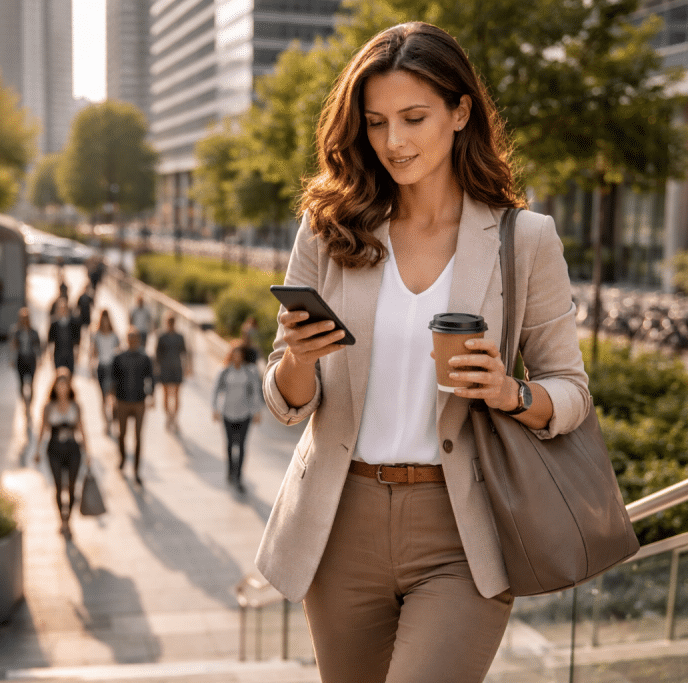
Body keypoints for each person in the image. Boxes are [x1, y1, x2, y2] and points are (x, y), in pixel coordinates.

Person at [255, 23, 591, 683]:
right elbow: (285, 401)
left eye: (414, 117)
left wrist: (511, 392)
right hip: (339, 521)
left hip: (462, 531)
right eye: (376, 122)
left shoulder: (523, 240)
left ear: (461, 111)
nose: (393, 142)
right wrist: (297, 357)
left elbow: (572, 390)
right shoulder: (328, 229)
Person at [35, 368, 88, 535]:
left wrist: (88, 452)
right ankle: (61, 519)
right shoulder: (49, 407)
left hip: (73, 449)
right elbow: (42, 429)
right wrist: (37, 450)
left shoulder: (76, 406)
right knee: (58, 486)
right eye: (59, 385)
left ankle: (68, 518)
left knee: (72, 486)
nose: (62, 388)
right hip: (54, 449)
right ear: (55, 387)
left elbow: (82, 429)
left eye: (65, 385)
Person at [212, 340, 262, 493]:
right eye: (235, 354)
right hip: (227, 413)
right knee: (229, 444)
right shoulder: (225, 371)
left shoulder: (250, 372)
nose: (237, 357)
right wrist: (215, 409)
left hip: (244, 413)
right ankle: (230, 470)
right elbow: (216, 390)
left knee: (241, 445)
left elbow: (255, 392)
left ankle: (239, 477)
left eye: (240, 355)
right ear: (231, 356)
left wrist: (256, 411)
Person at [111, 327, 156, 485]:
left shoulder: (145, 358)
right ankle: (123, 458)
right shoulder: (119, 357)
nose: (132, 342)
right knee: (121, 433)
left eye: (135, 339)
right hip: (122, 400)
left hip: (139, 401)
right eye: (130, 339)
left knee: (138, 436)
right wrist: (112, 397)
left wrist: (151, 395)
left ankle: (137, 469)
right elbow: (113, 377)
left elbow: (151, 377)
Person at [155, 313, 191, 432]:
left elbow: (184, 352)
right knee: (165, 394)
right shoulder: (161, 336)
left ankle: (174, 418)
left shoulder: (179, 336)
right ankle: (168, 417)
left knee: (176, 394)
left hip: (176, 367)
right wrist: (157, 368)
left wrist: (187, 367)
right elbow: (157, 354)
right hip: (165, 368)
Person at [90, 310, 120, 433]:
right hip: (102, 367)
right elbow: (93, 353)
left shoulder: (114, 335)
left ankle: (113, 418)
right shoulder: (96, 335)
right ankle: (106, 423)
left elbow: (119, 352)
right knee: (102, 397)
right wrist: (91, 367)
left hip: (113, 367)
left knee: (113, 396)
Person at [9, 307, 41, 413]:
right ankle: (23, 402)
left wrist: (40, 358)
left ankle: (30, 403)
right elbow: (12, 346)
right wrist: (12, 359)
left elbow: (38, 346)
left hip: (31, 359)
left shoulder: (33, 332)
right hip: (21, 359)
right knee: (22, 383)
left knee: (32, 383)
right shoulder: (16, 331)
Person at [47, 297, 79, 375]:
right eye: (60, 308)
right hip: (58, 354)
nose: (63, 310)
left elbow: (76, 339)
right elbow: (50, 340)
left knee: (70, 374)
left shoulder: (73, 322)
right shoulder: (54, 323)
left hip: (69, 353)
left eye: (64, 308)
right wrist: (50, 354)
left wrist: (77, 353)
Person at [75, 286, 95, 355]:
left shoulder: (89, 297)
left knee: (87, 332)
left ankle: (86, 344)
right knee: (81, 332)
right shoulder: (81, 297)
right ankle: (81, 344)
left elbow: (93, 305)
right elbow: (77, 307)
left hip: (86, 317)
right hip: (82, 317)